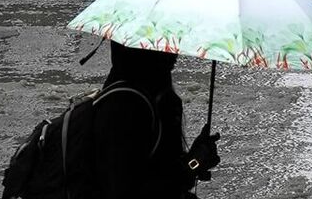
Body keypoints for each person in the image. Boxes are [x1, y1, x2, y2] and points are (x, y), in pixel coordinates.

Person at [90, 41, 222, 198]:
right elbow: (128, 189)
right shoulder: (126, 106)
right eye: (164, 43)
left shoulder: (154, 95)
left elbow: (156, 166)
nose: (175, 52)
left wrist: (194, 158)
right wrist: (193, 163)